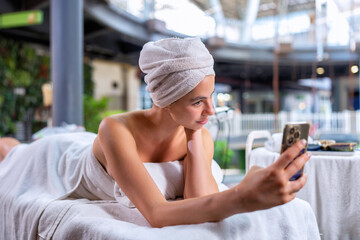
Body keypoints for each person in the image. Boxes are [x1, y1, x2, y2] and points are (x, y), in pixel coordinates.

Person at [0, 37, 311, 228]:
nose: (211, 111)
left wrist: (193, 139)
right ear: (164, 100)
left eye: (212, 96)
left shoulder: (198, 133)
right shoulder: (115, 128)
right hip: (58, 158)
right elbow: (157, 214)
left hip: (90, 147)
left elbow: (199, 200)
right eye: (197, 101)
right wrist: (242, 195)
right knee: (13, 152)